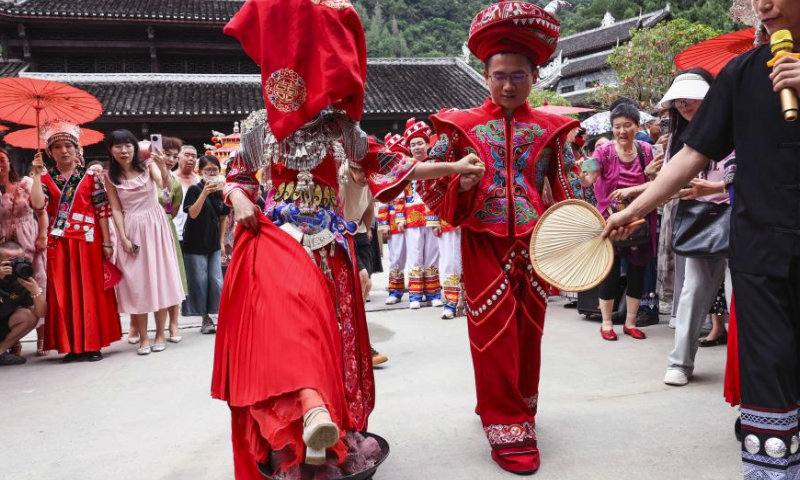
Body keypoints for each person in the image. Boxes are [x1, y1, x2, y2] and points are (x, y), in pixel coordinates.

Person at [212, 1, 484, 478]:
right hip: (280, 248)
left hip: (330, 252)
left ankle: (330, 426)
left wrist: (454, 166)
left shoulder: (340, 128)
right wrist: (238, 200)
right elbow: (236, 177)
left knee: (335, 340)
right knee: (287, 339)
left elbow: (394, 165)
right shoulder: (259, 129)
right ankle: (297, 426)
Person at [604, 1, 800, 477]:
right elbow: (692, 154)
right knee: (767, 364)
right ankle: (771, 471)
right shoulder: (742, 73)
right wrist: (636, 209)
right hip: (759, 245)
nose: (764, 5)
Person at [421, 2, 588, 473]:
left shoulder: (553, 129)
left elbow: (568, 187)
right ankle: (506, 423)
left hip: (534, 242)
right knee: (491, 331)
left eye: (518, 76)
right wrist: (460, 184)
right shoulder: (458, 126)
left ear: (535, 75)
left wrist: (587, 232)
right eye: (499, 76)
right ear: (485, 75)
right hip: (482, 240)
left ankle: (520, 409)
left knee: (529, 330)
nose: (508, 85)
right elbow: (429, 185)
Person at [648, 70, 733, 386]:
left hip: (742, 216)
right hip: (700, 221)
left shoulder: (737, 125)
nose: (683, 104)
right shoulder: (678, 138)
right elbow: (671, 182)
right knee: (693, 291)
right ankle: (680, 363)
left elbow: (753, 171)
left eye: (690, 97)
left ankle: (750, 368)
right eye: (678, 100)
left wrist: (715, 188)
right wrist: (647, 186)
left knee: (743, 294)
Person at [30, 120, 121, 363]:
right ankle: (72, 346)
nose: (64, 151)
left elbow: (102, 210)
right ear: (50, 152)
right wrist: (37, 175)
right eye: (57, 147)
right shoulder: (46, 179)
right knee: (64, 293)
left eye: (68, 145)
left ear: (77, 148)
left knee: (90, 291)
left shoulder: (91, 177)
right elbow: (38, 204)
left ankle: (92, 343)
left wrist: (107, 242)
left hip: (88, 241)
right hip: (60, 244)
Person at [105, 130, 185, 356]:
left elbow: (165, 187)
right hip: (130, 226)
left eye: (128, 145)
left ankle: (160, 333)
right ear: (111, 150)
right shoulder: (109, 176)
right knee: (136, 283)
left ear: (135, 147)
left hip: (155, 224)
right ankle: (143, 337)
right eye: (118, 146)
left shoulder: (148, 166)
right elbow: (115, 209)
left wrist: (162, 167)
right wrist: (122, 237)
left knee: (159, 279)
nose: (124, 150)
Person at [583, 103, 656, 341]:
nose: (622, 131)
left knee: (637, 270)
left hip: (640, 221)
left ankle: (630, 322)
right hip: (610, 222)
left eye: (627, 125)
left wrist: (634, 188)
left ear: (637, 126)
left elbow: (660, 183)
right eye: (617, 127)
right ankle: (606, 323)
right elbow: (588, 178)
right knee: (610, 271)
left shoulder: (647, 150)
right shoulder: (603, 152)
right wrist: (583, 173)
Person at [0, 147, 48, 357]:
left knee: (37, 284)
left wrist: (43, 236)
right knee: (8, 287)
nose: (0, 164)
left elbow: (41, 211)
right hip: (5, 246)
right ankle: (14, 343)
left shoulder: (25, 183)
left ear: (9, 162)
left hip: (29, 238)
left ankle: (42, 338)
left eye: (2, 159)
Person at [182, 155, 229, 334]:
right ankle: (205, 318)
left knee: (216, 281)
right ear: (200, 171)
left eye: (215, 170)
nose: (211, 173)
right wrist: (204, 193)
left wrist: (221, 241)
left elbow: (223, 218)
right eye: (208, 170)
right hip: (194, 243)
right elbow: (193, 214)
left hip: (213, 242)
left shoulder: (220, 192)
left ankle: (218, 313)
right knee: (200, 281)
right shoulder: (194, 190)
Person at [403, 118, 442, 310]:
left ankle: (434, 294)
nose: (417, 147)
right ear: (409, 148)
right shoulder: (404, 166)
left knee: (432, 257)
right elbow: (398, 195)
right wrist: (399, 217)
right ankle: (415, 295)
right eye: (413, 145)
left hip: (432, 217)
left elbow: (440, 192)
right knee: (415, 256)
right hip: (411, 218)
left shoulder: (435, 165)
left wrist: (438, 219)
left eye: (420, 143)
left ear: (427, 144)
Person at [160, 136, 189, 342]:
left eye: (174, 156)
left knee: (172, 275)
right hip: (143, 231)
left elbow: (173, 211)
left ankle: (173, 323)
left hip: (167, 229)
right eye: (166, 154)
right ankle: (135, 324)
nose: (170, 159)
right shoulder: (143, 176)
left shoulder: (175, 184)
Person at [0, 241, 46, 366]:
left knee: (29, 316)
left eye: (19, 260)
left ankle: (0, 352)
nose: (15, 264)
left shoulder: (22, 280)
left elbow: (41, 313)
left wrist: (36, 292)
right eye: (10, 261)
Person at [380, 133, 410, 305]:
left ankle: (420, 289)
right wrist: (384, 224)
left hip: (413, 220)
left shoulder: (413, 172)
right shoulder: (386, 176)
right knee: (396, 258)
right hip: (394, 223)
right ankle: (395, 290)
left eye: (402, 154)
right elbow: (382, 202)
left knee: (418, 257)